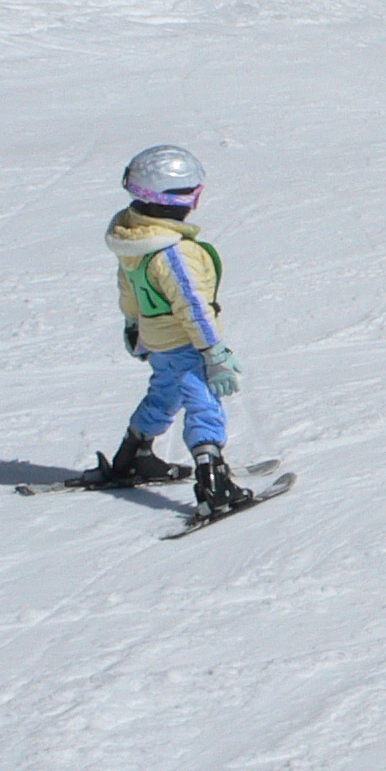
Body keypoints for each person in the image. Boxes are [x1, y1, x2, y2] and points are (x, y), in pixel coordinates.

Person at [90, 144, 256, 518]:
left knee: (164, 394)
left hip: (157, 339)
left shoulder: (135, 239)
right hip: (185, 341)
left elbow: (128, 288)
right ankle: (214, 484)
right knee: (203, 402)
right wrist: (214, 354)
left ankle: (132, 456)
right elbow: (193, 307)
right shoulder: (174, 253)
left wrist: (134, 327)